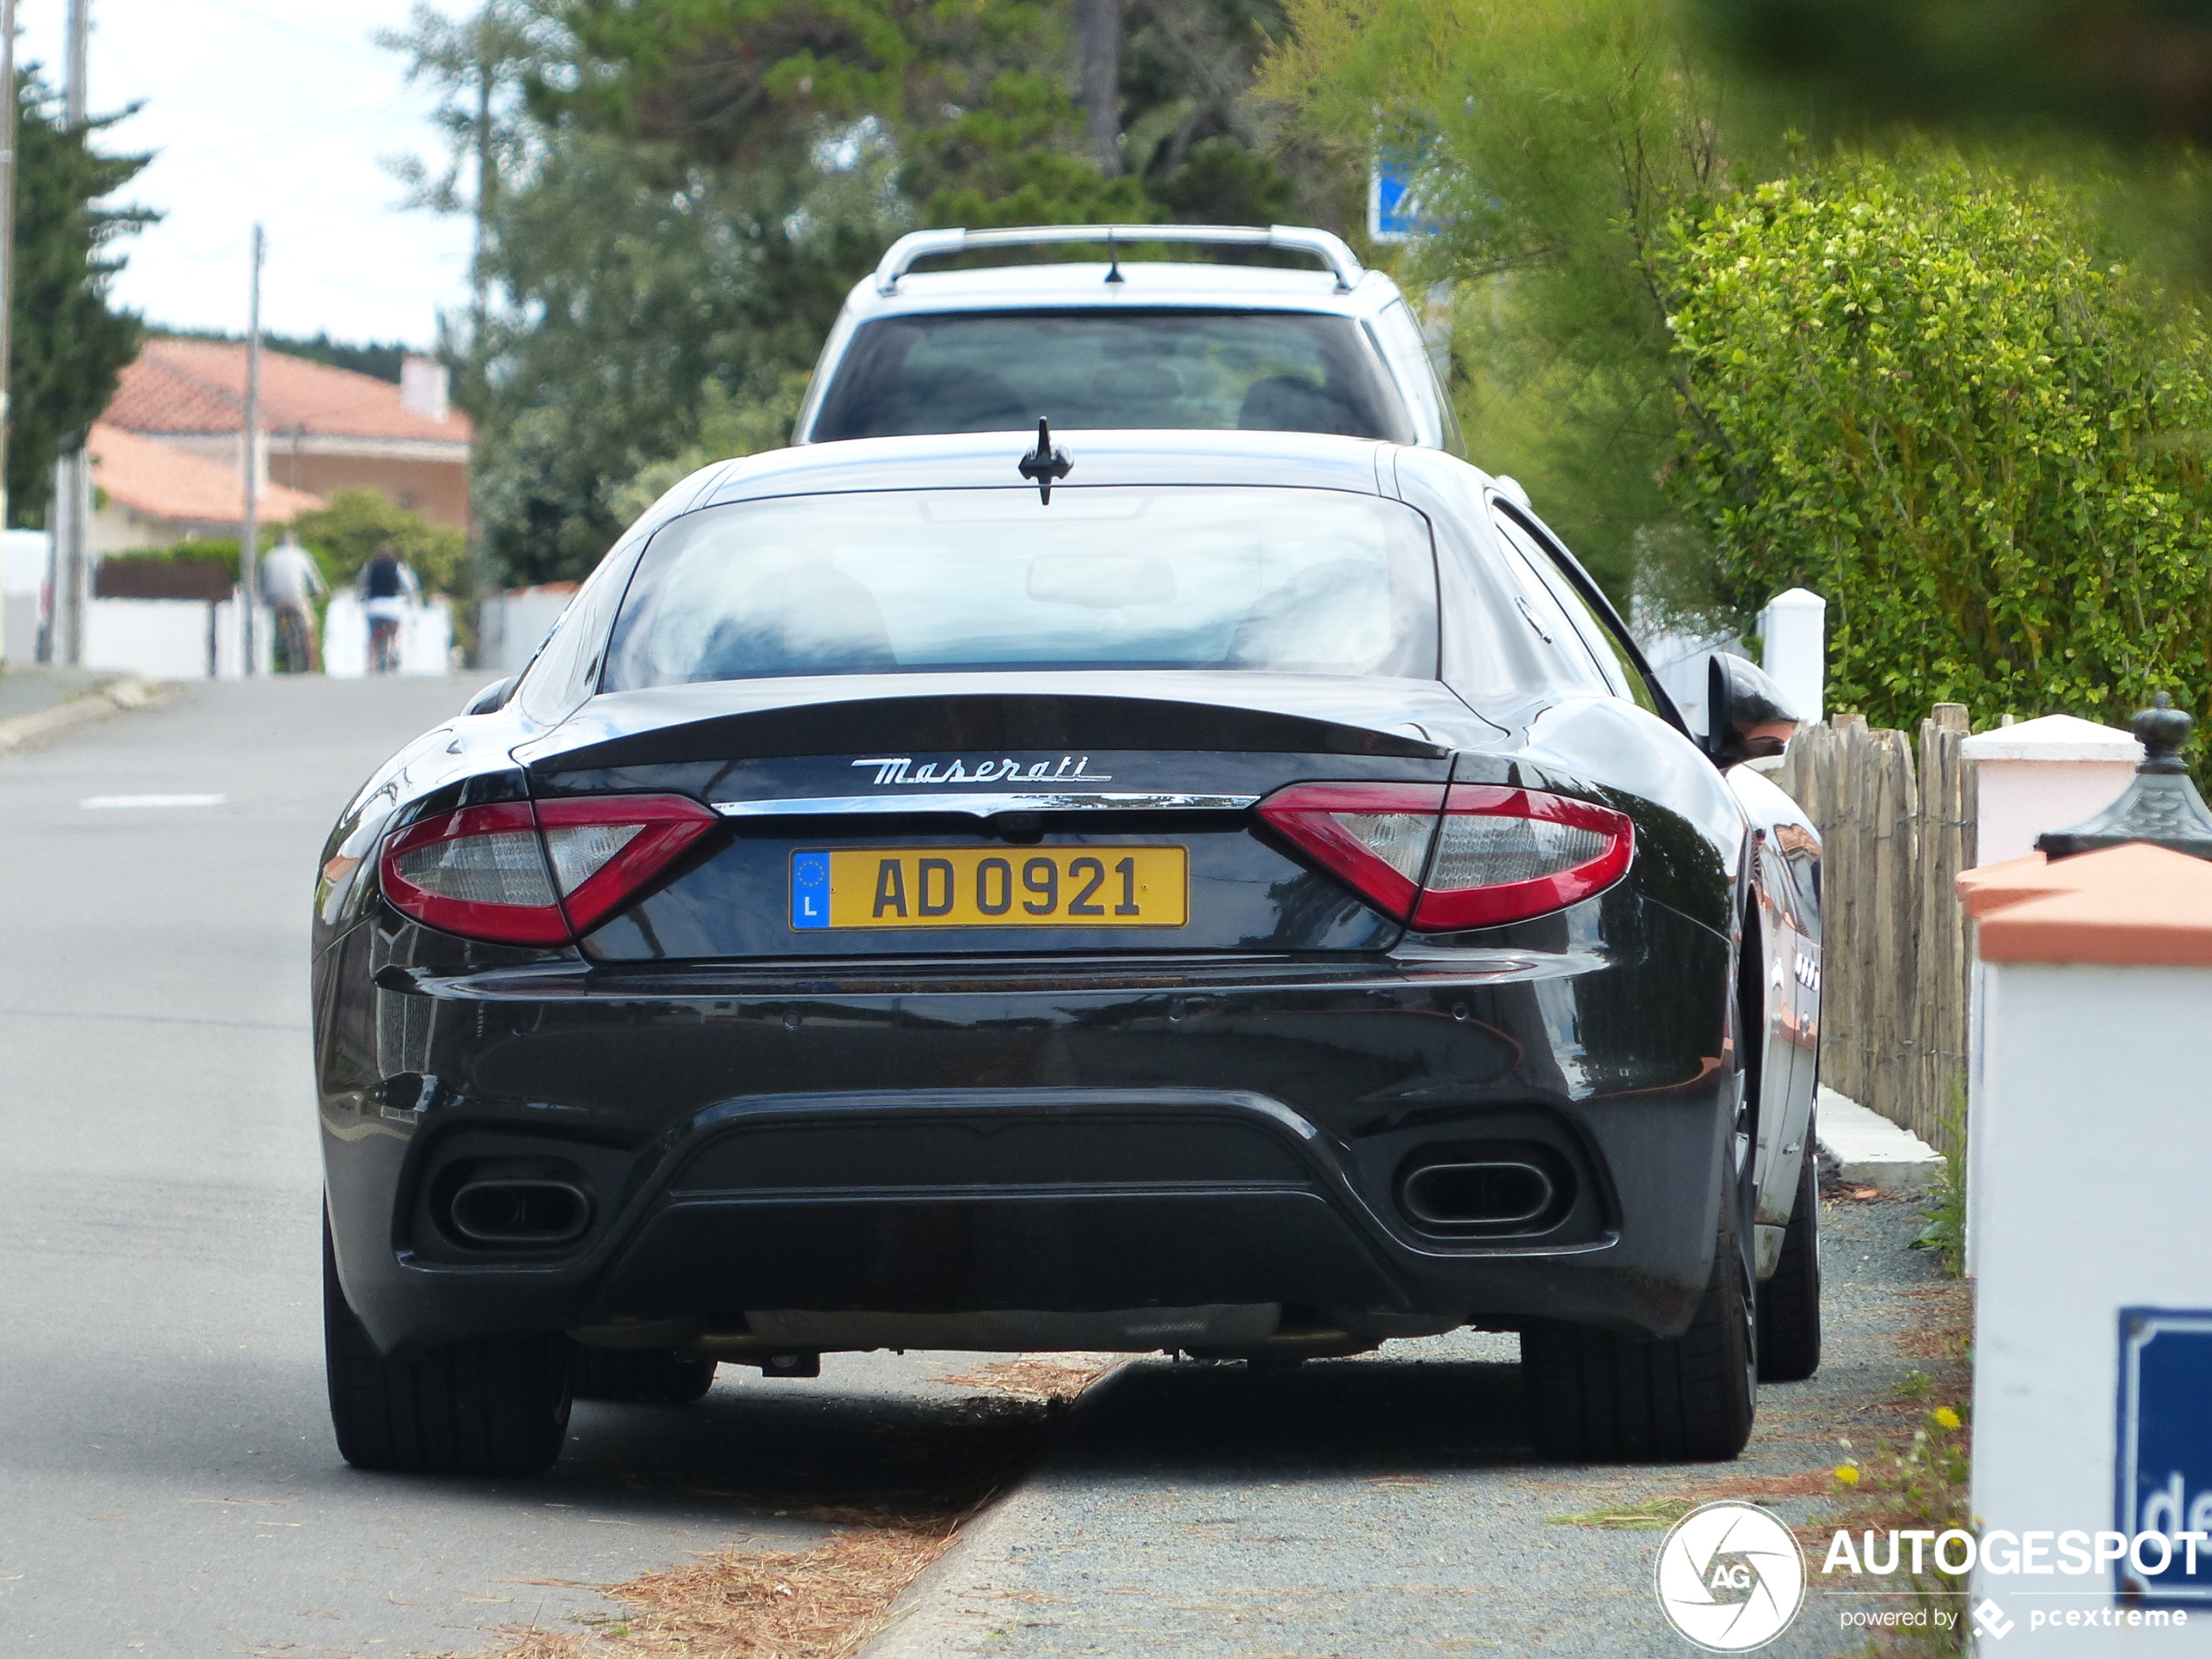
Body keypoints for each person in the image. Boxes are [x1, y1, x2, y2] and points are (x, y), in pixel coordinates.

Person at [260, 533, 326, 673]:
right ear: (294, 543)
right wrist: (317, 594)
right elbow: (315, 583)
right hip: (296, 599)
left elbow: (261, 584)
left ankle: (280, 648)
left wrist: (265, 600)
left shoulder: (268, 557)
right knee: (309, 628)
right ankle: (311, 666)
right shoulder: (301, 555)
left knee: (279, 624)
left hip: (275, 600)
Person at [356, 544, 421, 675]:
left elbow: (360, 585)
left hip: (374, 606)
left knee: (373, 634)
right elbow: (409, 586)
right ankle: (393, 651)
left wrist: (359, 599)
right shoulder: (398, 567)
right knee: (394, 631)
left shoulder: (369, 566)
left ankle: (371, 663)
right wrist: (411, 601)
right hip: (392, 606)